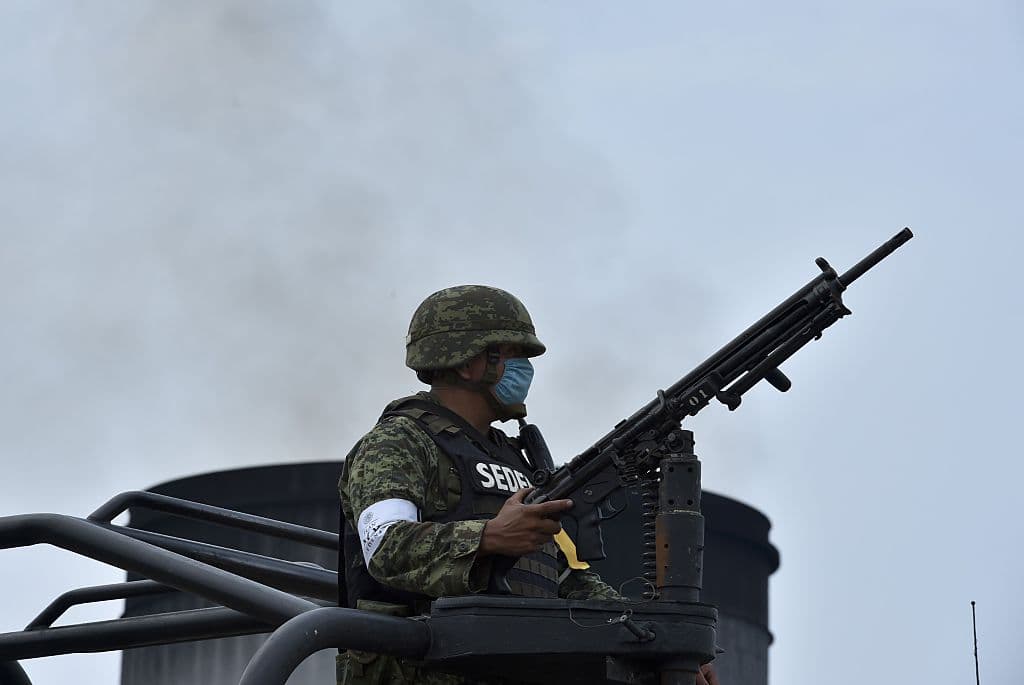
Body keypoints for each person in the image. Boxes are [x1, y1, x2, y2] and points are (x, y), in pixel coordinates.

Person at [337, 285, 719, 685]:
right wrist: (487, 537)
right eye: (513, 354)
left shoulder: (516, 459)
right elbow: (385, 547)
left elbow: (565, 578)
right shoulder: (399, 441)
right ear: (468, 363)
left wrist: (666, 645)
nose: (526, 369)